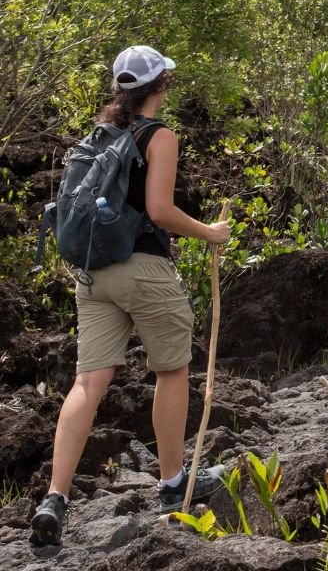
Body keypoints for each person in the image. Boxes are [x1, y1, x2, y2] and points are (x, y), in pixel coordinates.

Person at [30, 46, 232, 547]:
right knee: (172, 369)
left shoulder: (98, 137)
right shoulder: (159, 136)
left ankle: (55, 498)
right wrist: (210, 232)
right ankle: (172, 484)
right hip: (142, 268)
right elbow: (160, 211)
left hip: (94, 274)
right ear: (159, 85)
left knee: (87, 384)